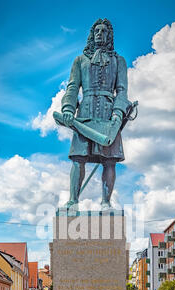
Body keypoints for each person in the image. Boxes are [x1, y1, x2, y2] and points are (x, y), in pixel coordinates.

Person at [61, 18, 131, 210]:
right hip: (85, 113)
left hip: (109, 116)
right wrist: (68, 108)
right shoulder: (80, 60)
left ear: (109, 36)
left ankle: (106, 202)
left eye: (104, 32)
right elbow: (73, 86)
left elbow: (122, 91)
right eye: (97, 31)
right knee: (78, 158)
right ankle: (73, 201)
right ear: (92, 35)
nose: (100, 34)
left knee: (109, 161)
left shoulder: (119, 61)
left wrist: (118, 114)